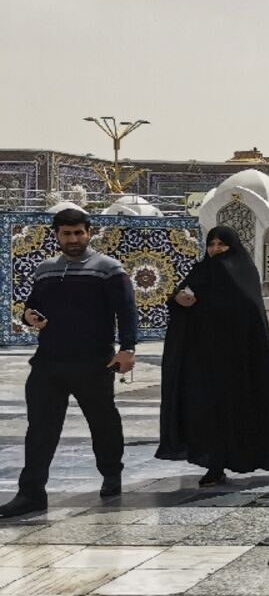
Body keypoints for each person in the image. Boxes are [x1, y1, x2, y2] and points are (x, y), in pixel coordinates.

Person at [1, 208, 137, 519]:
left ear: (89, 233)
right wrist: (28, 315)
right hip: (49, 363)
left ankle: (111, 473)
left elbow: (127, 311)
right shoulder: (46, 270)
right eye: (66, 233)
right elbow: (32, 305)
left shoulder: (108, 269)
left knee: (102, 423)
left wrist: (127, 349)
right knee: (40, 429)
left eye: (78, 233)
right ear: (57, 235)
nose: (73, 239)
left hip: (93, 362)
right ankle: (31, 493)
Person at [155, 226, 269, 486]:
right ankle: (215, 464)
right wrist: (179, 300)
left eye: (222, 244)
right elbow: (180, 299)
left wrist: (203, 302)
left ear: (233, 246)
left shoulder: (241, 271)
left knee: (234, 413)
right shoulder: (203, 269)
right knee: (206, 414)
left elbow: (245, 308)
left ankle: (231, 460)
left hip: (236, 360)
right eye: (212, 244)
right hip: (204, 359)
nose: (216, 249)